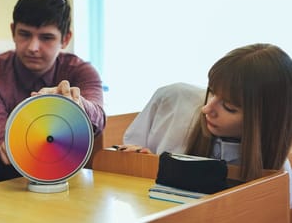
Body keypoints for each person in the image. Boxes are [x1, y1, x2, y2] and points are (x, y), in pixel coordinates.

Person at [0, 0, 106, 181]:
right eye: (25, 34)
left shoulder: (81, 72)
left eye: (46, 38)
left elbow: (99, 118)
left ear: (65, 39)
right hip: (3, 186)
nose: (33, 47)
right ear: (13, 31)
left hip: (68, 185)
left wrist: (75, 105)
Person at [121, 44, 292, 197]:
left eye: (229, 107)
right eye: (211, 92)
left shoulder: (278, 179)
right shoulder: (173, 99)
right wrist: (144, 163)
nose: (207, 109)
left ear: (263, 121)